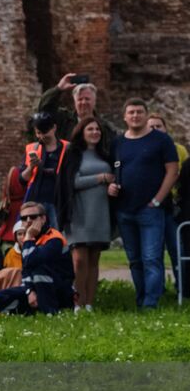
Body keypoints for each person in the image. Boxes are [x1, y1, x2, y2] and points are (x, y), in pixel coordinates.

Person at [111, 98, 180, 309]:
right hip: (124, 209)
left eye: (139, 112)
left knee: (151, 259)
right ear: (125, 117)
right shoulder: (118, 142)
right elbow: (112, 170)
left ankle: (150, 304)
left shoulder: (160, 140)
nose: (135, 116)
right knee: (135, 260)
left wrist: (158, 199)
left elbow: (172, 170)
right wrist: (111, 186)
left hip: (150, 209)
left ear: (145, 114)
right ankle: (141, 298)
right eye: (131, 112)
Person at [59, 115, 116, 313]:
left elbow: (115, 179)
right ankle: (77, 302)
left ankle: (90, 303)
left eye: (97, 129)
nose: (95, 133)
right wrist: (100, 178)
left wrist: (112, 186)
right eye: (90, 129)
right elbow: (72, 183)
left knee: (94, 260)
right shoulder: (73, 154)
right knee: (79, 259)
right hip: (79, 213)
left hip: (101, 213)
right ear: (82, 132)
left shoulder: (106, 155)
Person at [0, 202, 74, 315]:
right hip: (37, 288)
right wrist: (29, 291)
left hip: (59, 290)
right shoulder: (32, 240)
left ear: (43, 219)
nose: (28, 220)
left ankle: (50, 313)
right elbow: (26, 270)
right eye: (24, 218)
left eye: (33, 217)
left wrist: (28, 237)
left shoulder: (54, 238)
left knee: (39, 270)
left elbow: (34, 262)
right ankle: (30, 312)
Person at [148, 113, 189, 290]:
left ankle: (183, 288)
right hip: (150, 205)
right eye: (152, 127)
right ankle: (158, 289)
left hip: (172, 205)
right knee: (153, 252)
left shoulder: (178, 149)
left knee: (177, 248)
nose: (155, 129)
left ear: (166, 129)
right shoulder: (143, 148)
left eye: (159, 126)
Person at [20, 111, 71, 230]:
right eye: (38, 133)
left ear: (54, 128)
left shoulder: (67, 148)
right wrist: (31, 167)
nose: (42, 136)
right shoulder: (31, 148)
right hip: (36, 200)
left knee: (58, 236)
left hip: (59, 201)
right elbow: (22, 179)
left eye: (45, 132)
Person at [36, 74, 119, 143]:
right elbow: (44, 110)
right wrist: (58, 89)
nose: (83, 102)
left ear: (94, 101)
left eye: (87, 99)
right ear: (74, 102)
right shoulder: (64, 119)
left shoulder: (105, 127)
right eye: (80, 99)